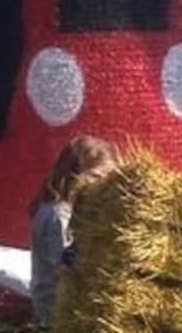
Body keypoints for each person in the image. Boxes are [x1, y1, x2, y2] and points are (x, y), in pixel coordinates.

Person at [29, 135, 119, 323]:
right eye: (95, 177)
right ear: (73, 173)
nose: (100, 186)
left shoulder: (62, 209)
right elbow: (63, 268)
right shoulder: (59, 214)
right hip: (57, 310)